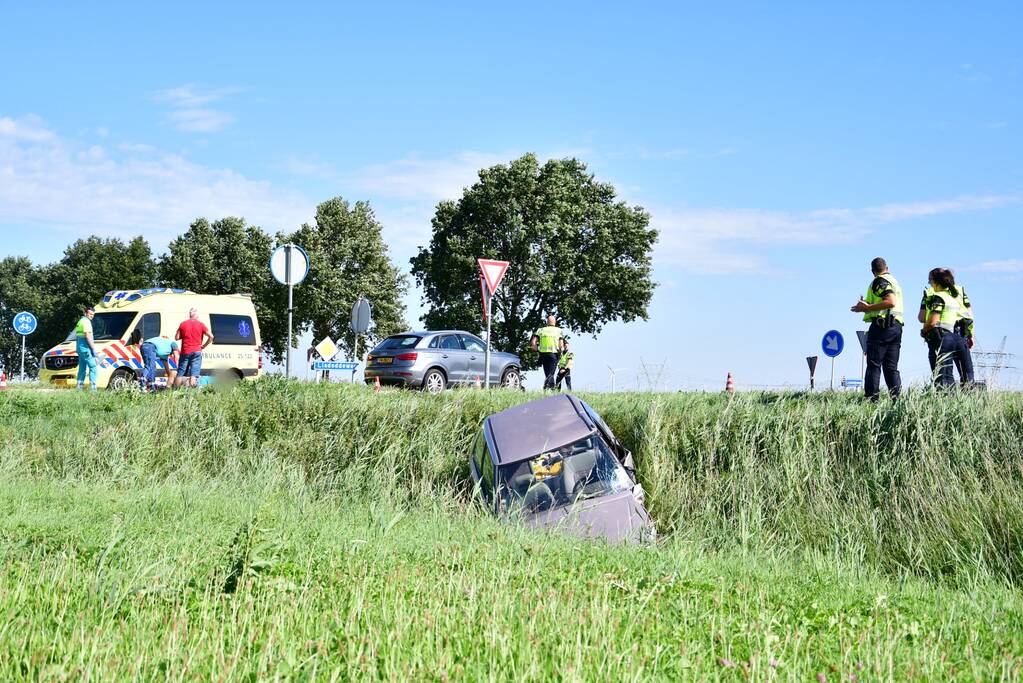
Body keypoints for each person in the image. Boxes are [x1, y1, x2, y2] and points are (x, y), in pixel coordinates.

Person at [850, 257, 904, 401]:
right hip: (896, 327)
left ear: (872, 271)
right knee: (891, 368)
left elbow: (890, 301)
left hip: (882, 328)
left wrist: (867, 307)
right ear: (887, 267)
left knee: (874, 365)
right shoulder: (894, 281)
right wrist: (868, 305)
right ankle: (897, 402)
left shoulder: (879, 281)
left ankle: (871, 401)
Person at [919, 268, 965, 388]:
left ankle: (942, 401)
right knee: (948, 375)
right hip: (952, 336)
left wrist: (924, 331)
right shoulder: (952, 298)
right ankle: (951, 401)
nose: (929, 283)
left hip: (939, 337)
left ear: (936, 282)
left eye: (930, 280)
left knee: (940, 375)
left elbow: (933, 321)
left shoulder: (938, 297)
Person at [175, 308, 213, 388]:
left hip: (185, 351)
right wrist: (204, 346)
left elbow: (177, 337)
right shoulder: (201, 324)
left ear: (190, 315)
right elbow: (211, 336)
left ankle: (176, 391)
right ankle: (191, 393)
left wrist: (184, 334)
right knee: (194, 374)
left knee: (180, 373)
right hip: (197, 351)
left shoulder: (183, 324)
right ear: (197, 315)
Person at [531, 315, 564, 390]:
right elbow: (561, 345)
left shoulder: (541, 330)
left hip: (543, 355)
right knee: (551, 374)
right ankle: (552, 390)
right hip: (553, 355)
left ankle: (546, 389)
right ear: (555, 322)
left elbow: (533, 342)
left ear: (547, 322)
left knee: (547, 374)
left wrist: (536, 349)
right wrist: (561, 353)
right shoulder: (559, 330)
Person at [75, 306, 99, 391]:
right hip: (85, 348)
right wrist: (93, 349)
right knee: (93, 367)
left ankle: (79, 388)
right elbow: (88, 337)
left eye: (93, 314)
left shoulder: (80, 321)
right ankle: (93, 389)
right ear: (85, 313)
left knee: (82, 368)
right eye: (90, 314)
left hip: (80, 348)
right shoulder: (86, 322)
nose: (91, 316)